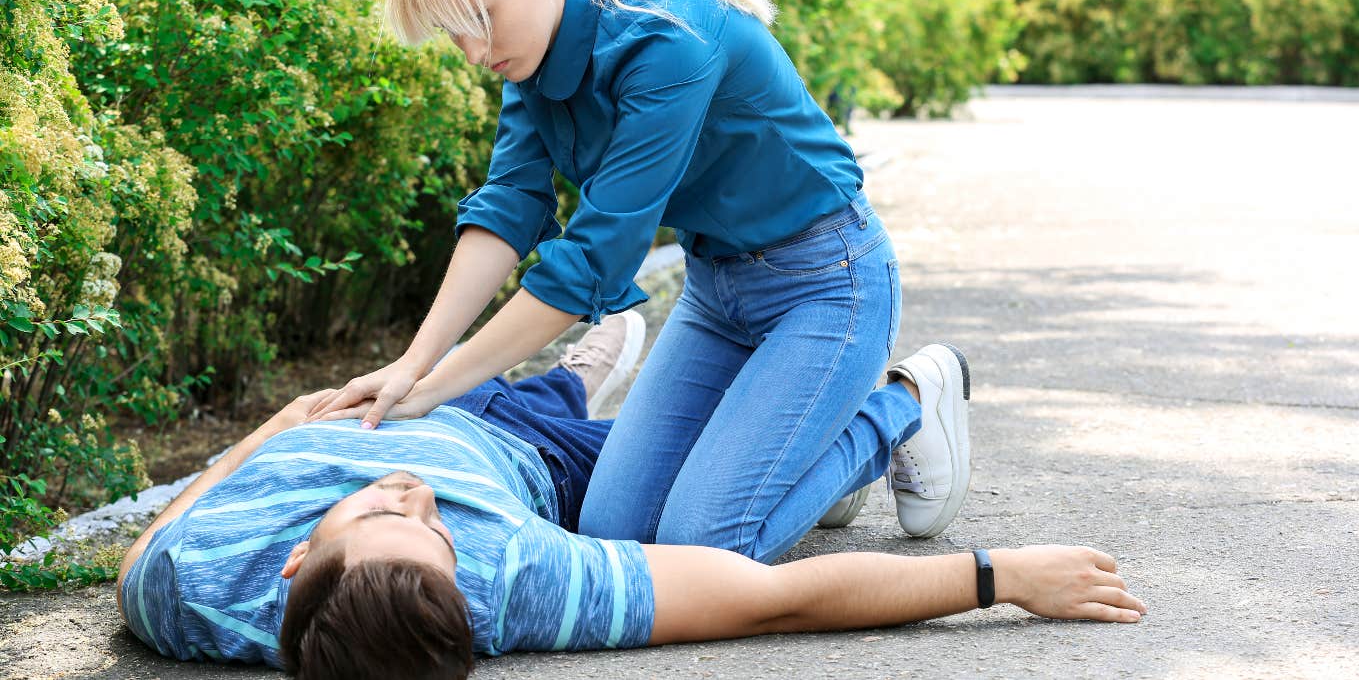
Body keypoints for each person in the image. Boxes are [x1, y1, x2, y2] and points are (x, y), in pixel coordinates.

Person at [301, 0, 940, 554]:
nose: (472, 52)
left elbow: (593, 261)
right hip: (716, 293)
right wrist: (413, 368)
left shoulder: (669, 38)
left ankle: (902, 404)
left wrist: (440, 389)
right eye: (453, 33)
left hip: (828, 285)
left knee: (707, 546)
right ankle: (807, 448)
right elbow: (509, 207)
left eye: (482, 17)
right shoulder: (530, 57)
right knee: (613, 531)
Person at [117, 313, 1147, 680]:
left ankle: (580, 366)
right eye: (427, 531)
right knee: (719, 506)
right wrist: (998, 576)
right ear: (467, 598)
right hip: (515, 453)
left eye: (394, 519)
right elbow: (768, 598)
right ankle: (904, 401)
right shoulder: (516, 579)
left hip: (392, 396)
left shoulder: (183, 590)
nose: (415, 500)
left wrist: (276, 427)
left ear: (294, 562)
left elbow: (149, 539)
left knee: (530, 391)